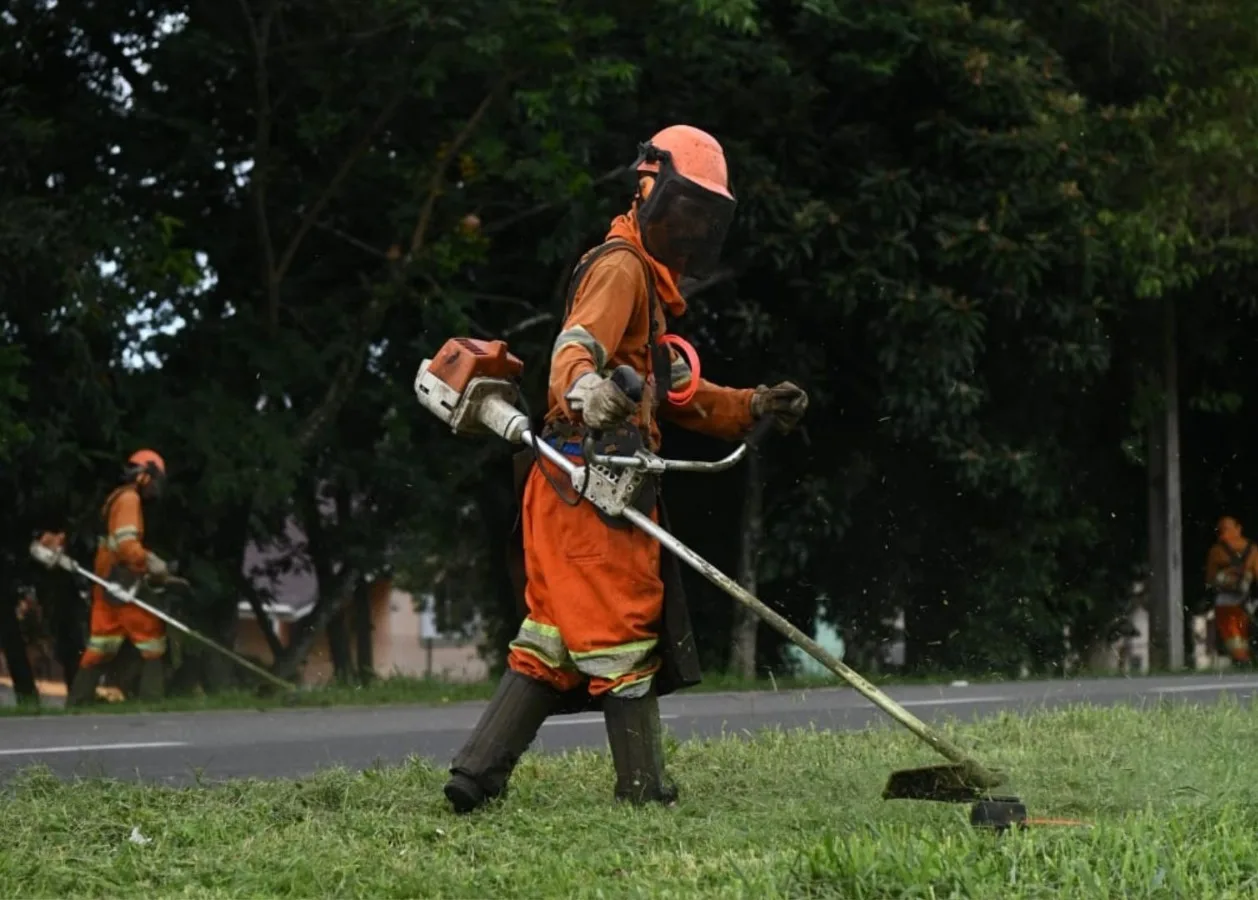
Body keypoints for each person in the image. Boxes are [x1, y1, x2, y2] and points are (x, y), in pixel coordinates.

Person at [443, 124, 809, 813]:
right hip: (590, 484)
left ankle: (475, 773)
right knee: (624, 630)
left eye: (706, 216)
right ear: (648, 190)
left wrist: (754, 404)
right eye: (684, 210)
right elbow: (573, 353)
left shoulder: (650, 286)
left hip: (570, 488)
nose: (693, 229)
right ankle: (643, 791)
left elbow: (682, 398)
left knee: (551, 639)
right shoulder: (620, 268)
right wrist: (590, 394)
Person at [40, 449, 175, 705]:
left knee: (100, 645)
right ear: (145, 476)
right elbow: (126, 545)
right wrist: (150, 561)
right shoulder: (129, 500)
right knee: (152, 639)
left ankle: (78, 702)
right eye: (155, 480)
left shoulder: (115, 498)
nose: (156, 488)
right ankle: (152, 701)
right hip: (122, 584)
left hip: (106, 585)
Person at [1204, 515, 1258, 667]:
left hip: (1224, 602)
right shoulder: (1253, 550)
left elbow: (1210, 579)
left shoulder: (1216, 551)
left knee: (1232, 633)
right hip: (1246, 601)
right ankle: (1244, 659)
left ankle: (1242, 660)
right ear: (1238, 529)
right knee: (1243, 632)